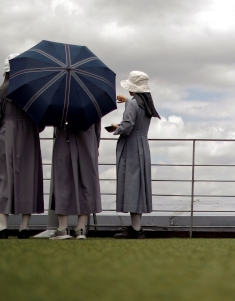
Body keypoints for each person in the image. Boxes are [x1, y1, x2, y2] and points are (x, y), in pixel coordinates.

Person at [0, 54, 45, 239]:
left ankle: (3, 228)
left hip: (5, 138)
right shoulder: (34, 94)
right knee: (28, 181)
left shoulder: (0, 93)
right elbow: (41, 123)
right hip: (29, 140)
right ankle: (24, 228)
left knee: (1, 179)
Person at [108, 71, 160, 239]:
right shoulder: (146, 104)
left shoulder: (132, 103)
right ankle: (136, 227)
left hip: (130, 146)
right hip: (142, 146)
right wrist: (127, 101)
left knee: (131, 185)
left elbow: (128, 125)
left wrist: (116, 128)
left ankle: (136, 230)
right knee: (139, 186)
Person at [49, 114, 102, 240]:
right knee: (87, 182)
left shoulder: (61, 98)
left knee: (62, 180)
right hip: (88, 140)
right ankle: (81, 228)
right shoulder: (92, 99)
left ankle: (62, 228)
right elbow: (97, 127)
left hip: (64, 137)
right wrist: (96, 145)